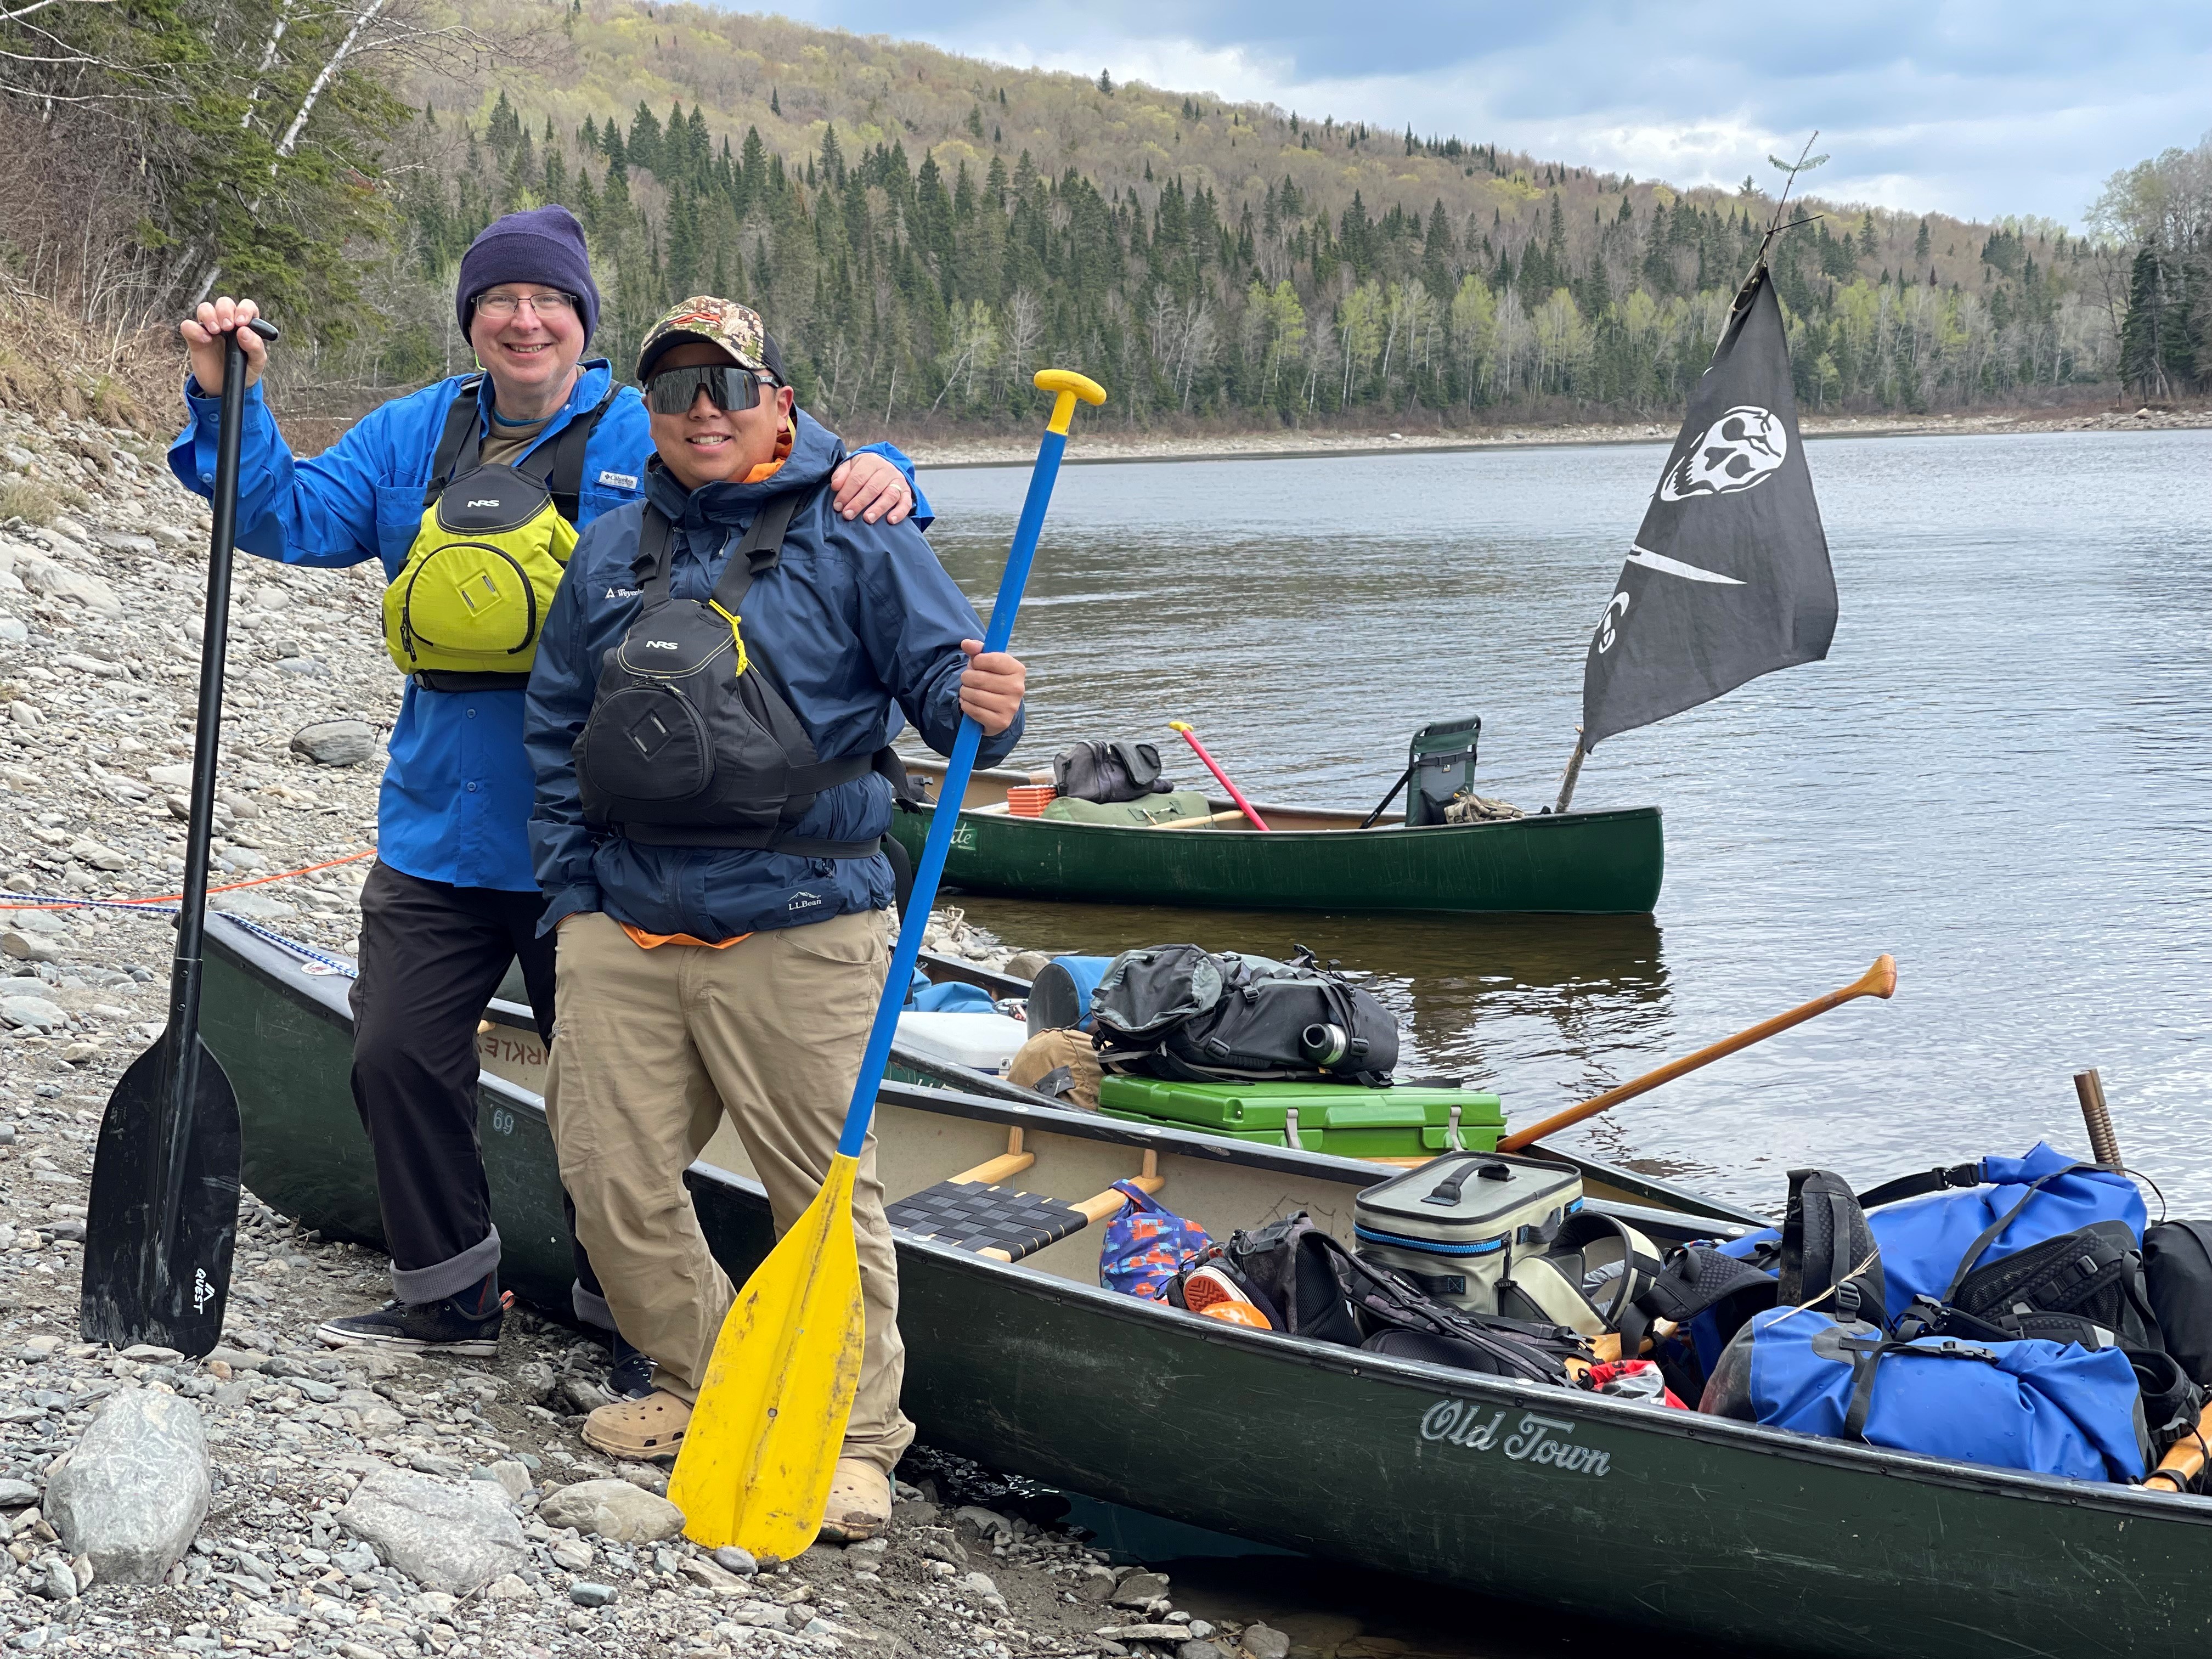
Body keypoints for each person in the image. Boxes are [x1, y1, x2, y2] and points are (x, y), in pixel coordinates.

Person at [168, 208, 922, 1372]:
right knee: (395, 1057)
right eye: (501, 302)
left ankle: (627, 1320)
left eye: (550, 302)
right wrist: (228, 399)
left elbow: (801, 464)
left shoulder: (657, 415)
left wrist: (890, 469)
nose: (526, 321)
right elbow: (289, 515)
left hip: (613, 842)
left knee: (610, 1112)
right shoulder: (419, 431)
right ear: (472, 321)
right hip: (443, 826)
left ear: (584, 321)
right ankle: (451, 1298)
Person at [524, 296, 1026, 1539]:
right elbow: (555, 726)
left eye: (728, 386)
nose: (703, 410)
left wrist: (987, 697)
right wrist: (574, 892)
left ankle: (853, 1436)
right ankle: (702, 1383)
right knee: (607, 1174)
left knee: (821, 1195)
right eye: (676, 389)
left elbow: (943, 693)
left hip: (802, 920)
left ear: (779, 405)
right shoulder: (610, 545)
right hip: (625, 923)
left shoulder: (865, 531)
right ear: (648, 411)